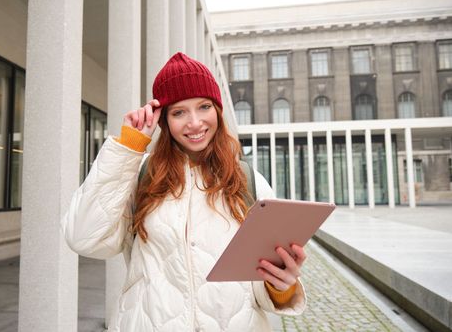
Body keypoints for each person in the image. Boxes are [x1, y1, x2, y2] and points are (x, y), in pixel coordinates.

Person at [62, 52, 307, 331]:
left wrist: (281, 287)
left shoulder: (247, 180)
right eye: (179, 112)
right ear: (164, 120)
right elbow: (82, 237)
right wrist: (127, 148)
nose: (194, 123)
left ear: (218, 110)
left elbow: (260, 283)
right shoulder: (141, 176)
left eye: (204, 107)